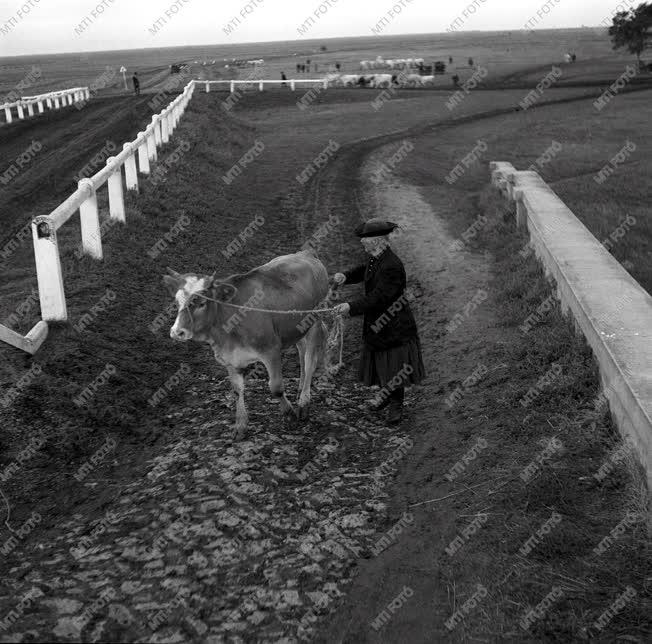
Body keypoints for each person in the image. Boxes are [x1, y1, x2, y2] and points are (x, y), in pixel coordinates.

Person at [332, 219, 425, 425]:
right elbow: (364, 270)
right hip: (380, 322)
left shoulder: (391, 265)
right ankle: (385, 396)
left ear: (377, 240)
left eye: (365, 239)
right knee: (382, 362)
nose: (362, 242)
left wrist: (351, 307)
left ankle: (396, 405)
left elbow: (379, 297)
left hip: (394, 324)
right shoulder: (377, 258)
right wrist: (345, 277)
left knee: (394, 364)